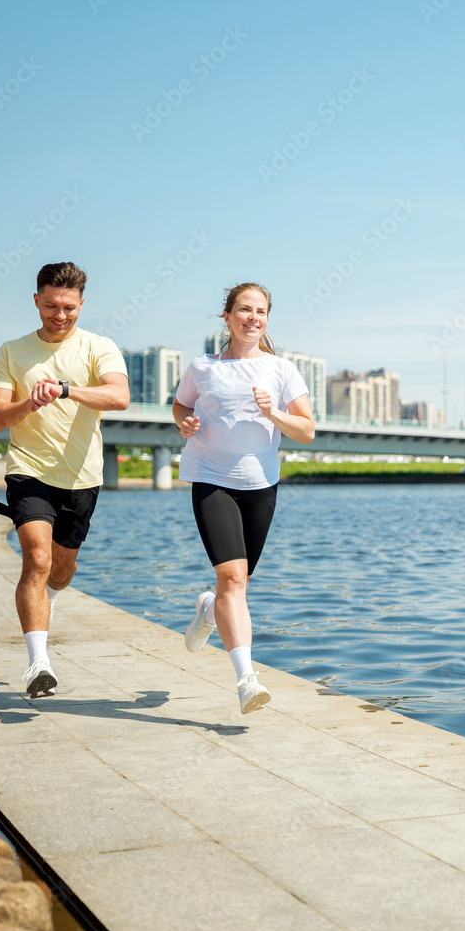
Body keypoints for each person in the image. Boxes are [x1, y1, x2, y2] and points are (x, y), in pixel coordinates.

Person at [0, 261, 129, 698]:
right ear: (36, 301)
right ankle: (38, 664)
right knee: (37, 558)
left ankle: (48, 601)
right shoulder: (11, 351)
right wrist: (28, 404)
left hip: (82, 476)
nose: (60, 315)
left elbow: (119, 396)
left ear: (81, 304)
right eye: (51, 305)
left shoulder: (99, 346)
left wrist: (66, 389)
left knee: (61, 569)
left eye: (68, 307)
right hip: (28, 469)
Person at [172, 283, 315, 714]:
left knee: (237, 583)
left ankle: (207, 611)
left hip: (260, 485)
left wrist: (273, 412)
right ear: (227, 316)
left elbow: (307, 430)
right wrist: (185, 423)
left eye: (261, 311)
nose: (253, 317)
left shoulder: (281, 369)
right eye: (244, 309)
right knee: (233, 578)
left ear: (267, 319)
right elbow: (180, 407)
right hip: (210, 479)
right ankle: (246, 680)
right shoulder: (202, 367)